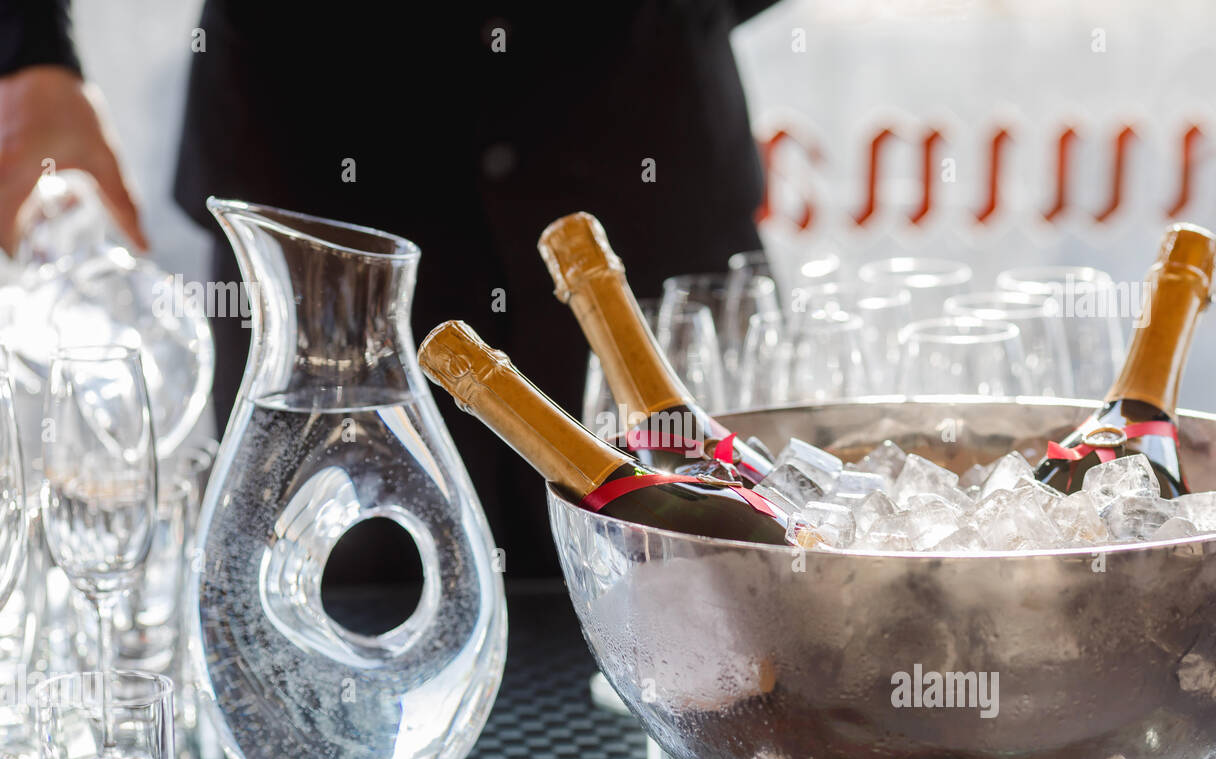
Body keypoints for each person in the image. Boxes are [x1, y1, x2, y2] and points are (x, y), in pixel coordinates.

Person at [0, 0, 779, 578]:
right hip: (321, 203)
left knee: (733, 604)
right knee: (322, 641)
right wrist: (28, 47)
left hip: (641, 161)